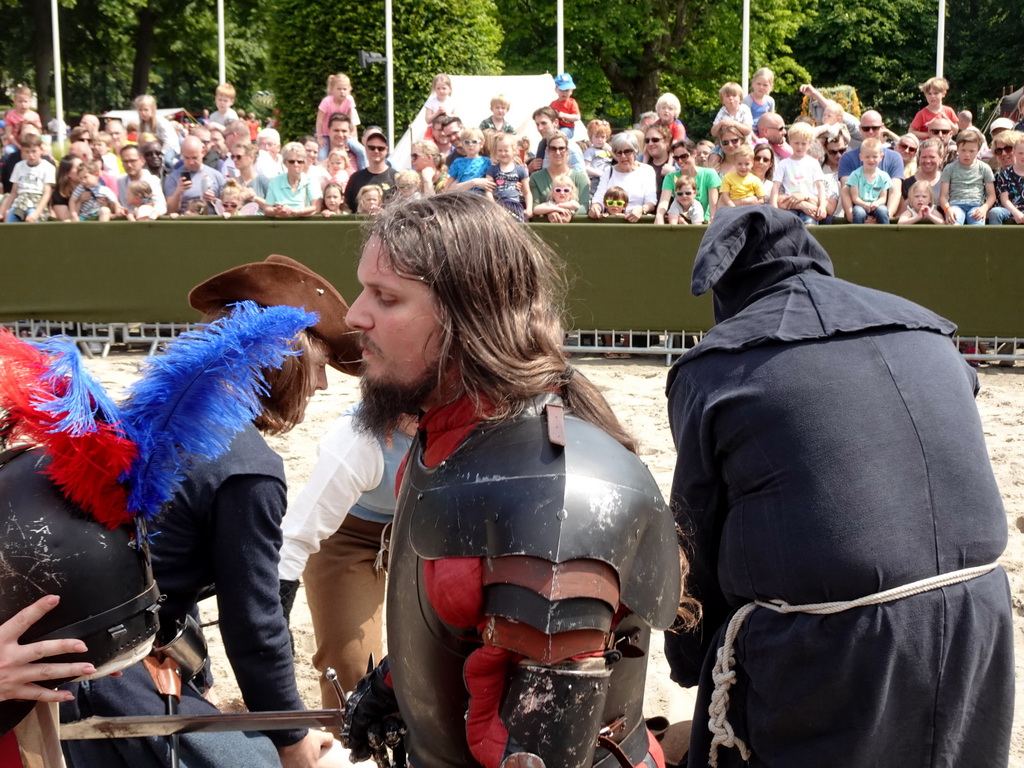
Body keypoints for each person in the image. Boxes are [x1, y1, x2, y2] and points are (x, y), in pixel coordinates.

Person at [339, 193, 684, 768]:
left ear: (466, 319)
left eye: (386, 297)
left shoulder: (552, 493)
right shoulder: (445, 441)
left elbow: (539, 753)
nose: (354, 314)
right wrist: (400, 685)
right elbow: (463, 621)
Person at [663, 206, 1013, 768]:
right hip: (979, 616)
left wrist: (690, 657)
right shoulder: (929, 330)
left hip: (829, 644)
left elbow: (694, 532)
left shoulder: (717, 369)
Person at [63, 255, 360, 768]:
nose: (323, 386)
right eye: (318, 365)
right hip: (95, 673)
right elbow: (254, 625)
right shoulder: (249, 467)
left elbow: (164, 562)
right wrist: (292, 737)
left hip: (82, 642)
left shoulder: (146, 412)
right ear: (282, 360)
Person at [279, 406, 415, 710]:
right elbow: (296, 534)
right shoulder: (357, 440)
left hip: (425, 535)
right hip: (348, 538)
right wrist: (274, 615)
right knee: (352, 670)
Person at [838, 110, 904, 218]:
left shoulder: (895, 158)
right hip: (857, 216)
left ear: (882, 128)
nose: (870, 132)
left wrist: (888, 215)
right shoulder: (847, 158)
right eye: (866, 128)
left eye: (875, 128)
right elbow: (845, 191)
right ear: (860, 128)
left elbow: (895, 192)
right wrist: (851, 216)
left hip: (883, 215)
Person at [589, 132, 656, 221]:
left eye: (627, 152)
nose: (623, 156)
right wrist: (595, 207)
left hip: (637, 222)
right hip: (613, 222)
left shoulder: (647, 170)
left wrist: (642, 209)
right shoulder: (608, 171)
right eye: (619, 153)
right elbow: (599, 197)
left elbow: (651, 201)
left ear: (635, 151)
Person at [769, 122, 826, 224]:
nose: (799, 147)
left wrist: (822, 206)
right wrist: (774, 206)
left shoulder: (813, 163)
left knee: (810, 225)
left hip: (809, 203)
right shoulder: (784, 164)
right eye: (796, 143)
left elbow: (820, 186)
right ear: (790, 142)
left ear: (810, 144)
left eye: (803, 143)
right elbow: (775, 186)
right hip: (790, 205)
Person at [528, 131, 590, 221]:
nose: (557, 152)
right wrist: (550, 212)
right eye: (553, 148)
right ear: (547, 150)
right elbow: (535, 206)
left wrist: (569, 214)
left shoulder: (581, 178)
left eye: (561, 148)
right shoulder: (535, 178)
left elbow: (585, 206)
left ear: (567, 151)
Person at [939, 127, 995, 225]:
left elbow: (991, 195)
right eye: (963, 150)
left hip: (976, 205)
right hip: (955, 205)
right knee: (953, 222)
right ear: (957, 148)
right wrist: (947, 209)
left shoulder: (984, 168)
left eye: (972, 151)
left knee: (978, 225)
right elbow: (943, 196)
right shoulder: (949, 168)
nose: (967, 154)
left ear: (978, 150)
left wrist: (984, 208)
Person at [164, 135, 226, 215]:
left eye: (194, 158)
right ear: (182, 154)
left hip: (210, 223)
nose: (191, 162)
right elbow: (170, 211)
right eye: (186, 158)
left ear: (203, 152)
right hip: (185, 222)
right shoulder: (173, 177)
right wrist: (178, 192)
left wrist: (214, 200)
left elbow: (228, 207)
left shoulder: (217, 176)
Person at [0, 134, 54, 223]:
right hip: (20, 202)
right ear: (22, 151)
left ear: (40, 150)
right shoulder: (19, 166)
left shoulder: (47, 167)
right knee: (10, 221)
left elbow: (47, 193)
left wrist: (37, 212)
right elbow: (14, 191)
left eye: (34, 151)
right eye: (27, 152)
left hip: (36, 201)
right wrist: (5, 210)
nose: (31, 155)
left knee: (32, 219)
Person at [344, 127, 396, 213]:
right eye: (372, 148)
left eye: (380, 148)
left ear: (386, 150)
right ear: (366, 149)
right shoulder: (355, 178)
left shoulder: (395, 177)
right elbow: (346, 207)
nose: (376, 151)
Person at [264, 142, 323, 217]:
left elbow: (317, 207)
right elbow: (267, 208)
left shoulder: (312, 181)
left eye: (300, 161)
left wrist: (295, 212)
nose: (296, 164)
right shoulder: (275, 182)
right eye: (291, 161)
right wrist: (277, 211)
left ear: (304, 163)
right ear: (285, 162)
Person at [485, 133, 531, 220]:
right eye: (500, 150)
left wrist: (529, 208)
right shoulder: (492, 170)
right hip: (498, 204)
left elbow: (527, 192)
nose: (503, 153)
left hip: (515, 205)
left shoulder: (520, 170)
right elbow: (488, 191)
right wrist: (493, 206)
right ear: (496, 151)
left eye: (506, 150)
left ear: (514, 150)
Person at [846, 138, 892, 224]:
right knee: (859, 213)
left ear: (881, 157)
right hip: (861, 205)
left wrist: (877, 203)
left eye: (875, 156)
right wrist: (864, 204)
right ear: (861, 157)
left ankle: (886, 233)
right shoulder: (855, 175)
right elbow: (855, 197)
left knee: (883, 210)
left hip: (876, 205)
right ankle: (857, 234)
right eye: (867, 157)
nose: (871, 160)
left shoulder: (883, 176)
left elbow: (883, 198)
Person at [528, 106, 585, 173]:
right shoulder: (543, 145)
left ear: (555, 122)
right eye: (537, 124)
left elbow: (581, 177)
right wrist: (530, 168)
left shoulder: (570, 146)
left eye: (544, 123)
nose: (540, 128)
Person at [116, 144, 167, 216]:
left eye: (132, 161)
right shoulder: (120, 181)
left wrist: (149, 214)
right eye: (125, 161)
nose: (129, 165)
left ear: (142, 161)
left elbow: (160, 206)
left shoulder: (151, 180)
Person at [909, 77, 958, 141]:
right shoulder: (922, 114)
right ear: (925, 95)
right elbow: (911, 132)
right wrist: (928, 134)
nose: (932, 96)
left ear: (943, 94)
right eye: (929, 94)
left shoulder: (949, 111)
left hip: (945, 141)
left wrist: (947, 119)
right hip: (927, 142)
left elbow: (955, 130)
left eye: (936, 93)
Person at [444, 126, 490, 193]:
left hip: (480, 198)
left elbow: (490, 184)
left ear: (481, 144)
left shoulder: (487, 162)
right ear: (462, 144)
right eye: (467, 142)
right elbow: (447, 188)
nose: (470, 145)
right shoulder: (458, 162)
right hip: (462, 197)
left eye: (474, 141)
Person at [718, 144, 765, 208]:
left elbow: (761, 200)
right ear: (734, 163)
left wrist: (754, 204)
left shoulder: (755, 180)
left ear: (752, 163)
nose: (743, 167)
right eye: (739, 164)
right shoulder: (727, 178)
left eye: (747, 164)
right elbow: (725, 196)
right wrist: (733, 207)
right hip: (732, 208)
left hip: (750, 209)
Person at [994, 133, 1024, 225]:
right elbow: (1004, 199)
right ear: (1015, 152)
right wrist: (1015, 212)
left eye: (1007, 149)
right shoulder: (1004, 174)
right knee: (995, 213)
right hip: (1010, 210)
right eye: (999, 150)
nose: (1003, 153)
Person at [584, 119, 613, 196]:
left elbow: (617, 159)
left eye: (603, 137)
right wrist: (601, 174)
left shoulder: (608, 150)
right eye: (596, 136)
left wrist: (610, 150)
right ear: (591, 137)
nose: (600, 140)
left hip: (609, 178)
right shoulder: (590, 151)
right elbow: (586, 167)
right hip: (596, 179)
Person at [550, 72, 580, 137]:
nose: (564, 93)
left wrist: (564, 115)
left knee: (561, 135)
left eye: (566, 90)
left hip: (568, 128)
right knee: (544, 140)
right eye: (561, 90)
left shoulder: (572, 102)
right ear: (556, 90)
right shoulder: (553, 104)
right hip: (555, 128)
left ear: (571, 91)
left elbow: (577, 117)